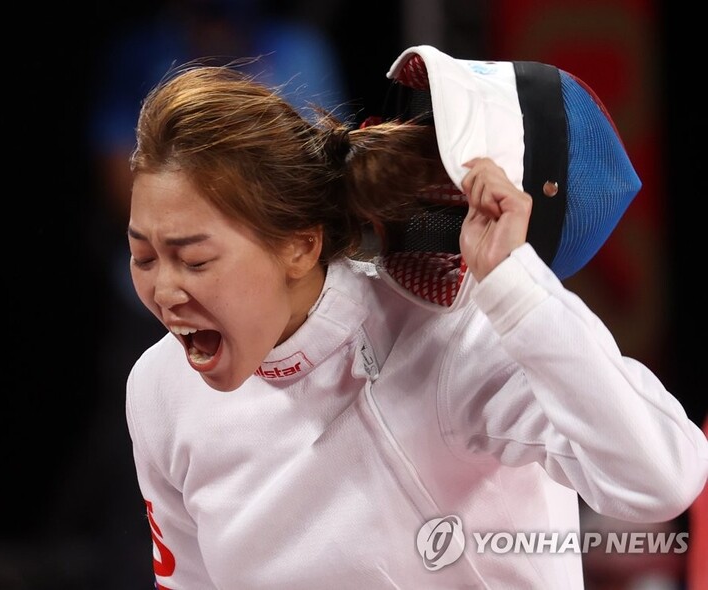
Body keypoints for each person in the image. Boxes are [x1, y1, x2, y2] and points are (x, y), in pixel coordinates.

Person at [122, 58, 708, 588]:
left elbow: (662, 476)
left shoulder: (452, 340)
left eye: (194, 260)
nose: (164, 290)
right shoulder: (158, 391)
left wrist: (515, 288)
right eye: (143, 256)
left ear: (300, 247)